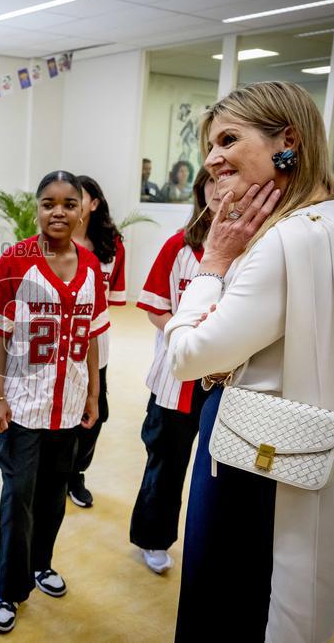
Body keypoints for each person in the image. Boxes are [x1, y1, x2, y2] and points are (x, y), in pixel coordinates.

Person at [168, 82, 334, 642]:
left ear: (289, 140)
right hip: (301, 436)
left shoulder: (284, 241)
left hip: (246, 450)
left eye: (229, 139)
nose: (211, 158)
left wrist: (213, 261)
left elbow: (186, 356)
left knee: (225, 596)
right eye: (210, 144)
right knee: (271, 590)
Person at [0, 171, 109, 635]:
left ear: (84, 209)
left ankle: (41, 564)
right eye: (49, 203)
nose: (59, 212)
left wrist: (92, 393)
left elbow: (92, 337)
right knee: (19, 499)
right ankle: (8, 590)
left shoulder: (92, 266)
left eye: (69, 204)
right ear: (37, 208)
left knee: (53, 496)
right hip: (23, 406)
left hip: (69, 406)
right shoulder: (16, 261)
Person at [129, 167, 219, 574]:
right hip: (175, 381)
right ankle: (153, 538)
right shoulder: (178, 247)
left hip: (227, 382)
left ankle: (212, 546)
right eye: (212, 182)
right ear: (200, 191)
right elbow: (154, 307)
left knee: (219, 474)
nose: (221, 190)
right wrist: (187, 338)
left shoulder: (256, 251)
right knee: (166, 465)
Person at [69, 175, 126, 508]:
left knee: (95, 412)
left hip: (94, 344)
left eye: (79, 197)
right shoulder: (51, 241)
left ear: (94, 204)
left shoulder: (112, 244)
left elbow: (113, 298)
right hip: (56, 345)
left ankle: (76, 473)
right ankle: (55, 473)